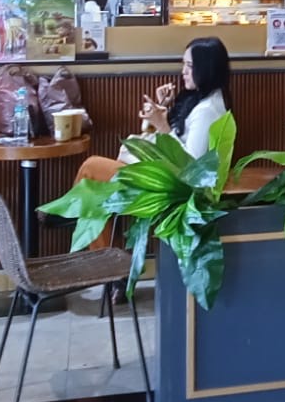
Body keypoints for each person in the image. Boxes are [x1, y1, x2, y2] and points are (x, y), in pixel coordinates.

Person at [69, 38, 232, 248]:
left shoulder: (207, 110)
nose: (183, 71)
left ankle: (71, 214)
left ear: (207, 68)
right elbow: (175, 139)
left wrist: (162, 125)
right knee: (92, 189)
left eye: (190, 66)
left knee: (91, 170)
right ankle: (92, 238)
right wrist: (162, 108)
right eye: (183, 64)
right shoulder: (200, 99)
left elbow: (191, 166)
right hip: (160, 175)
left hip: (172, 186)